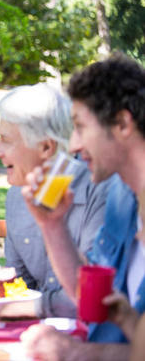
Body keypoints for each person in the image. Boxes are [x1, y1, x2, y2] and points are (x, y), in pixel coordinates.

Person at [19, 53, 145, 360]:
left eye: (80, 127)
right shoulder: (121, 195)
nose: (73, 145)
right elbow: (89, 293)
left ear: (122, 123)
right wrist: (51, 225)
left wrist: (74, 353)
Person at [0, 84, 110, 318]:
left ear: (46, 147)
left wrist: (11, 309)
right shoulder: (17, 195)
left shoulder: (101, 194)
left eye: (5, 140)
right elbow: (18, 283)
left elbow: (96, 296)